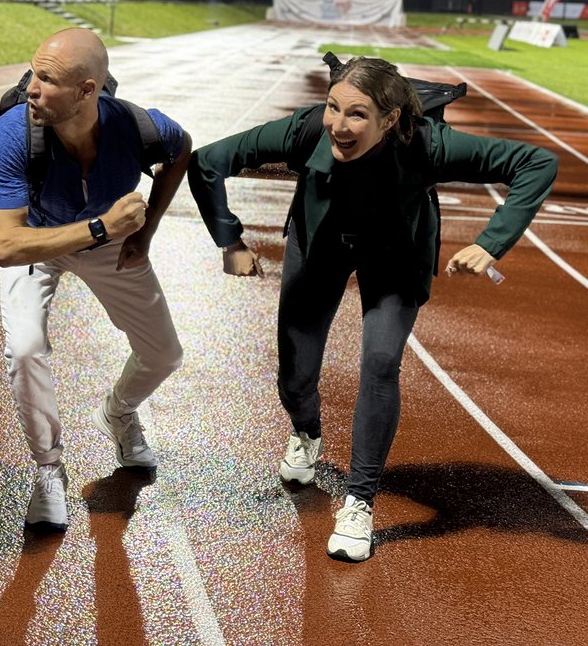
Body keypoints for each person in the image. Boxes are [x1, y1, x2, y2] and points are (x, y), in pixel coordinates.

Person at [187, 55, 557, 562]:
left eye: (357, 114)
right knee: (294, 374)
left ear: (390, 120)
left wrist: (491, 243)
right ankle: (306, 432)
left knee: (381, 363)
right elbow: (207, 161)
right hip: (320, 244)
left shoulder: (430, 143)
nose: (338, 126)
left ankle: (359, 501)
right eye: (333, 108)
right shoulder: (304, 130)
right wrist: (229, 241)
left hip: (394, 253)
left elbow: (537, 163)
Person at [0, 27, 192, 531]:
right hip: (39, 239)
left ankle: (119, 411)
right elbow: (5, 246)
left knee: (164, 354)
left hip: (109, 242)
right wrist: (102, 227)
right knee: (25, 348)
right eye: (32, 74)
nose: (32, 88)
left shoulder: (139, 127)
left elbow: (182, 148)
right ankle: (48, 469)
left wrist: (145, 233)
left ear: (87, 90)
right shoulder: (12, 133)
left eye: (47, 79)